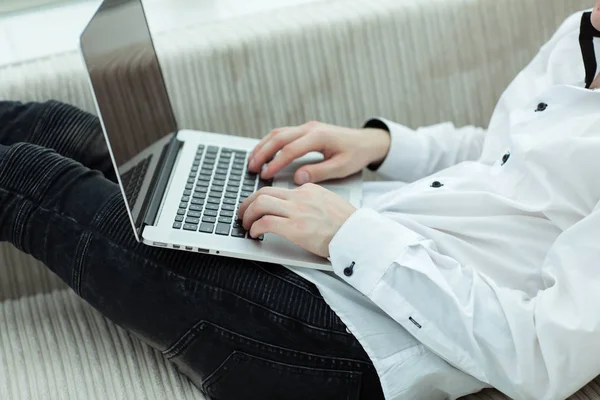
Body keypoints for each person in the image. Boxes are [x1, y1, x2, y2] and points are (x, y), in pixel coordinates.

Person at [2, 5, 600, 400]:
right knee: (58, 128)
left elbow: (540, 357)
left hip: (351, 340)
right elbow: (508, 161)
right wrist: (381, 145)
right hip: (353, 249)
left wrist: (349, 235)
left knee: (26, 178)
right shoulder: (584, 34)